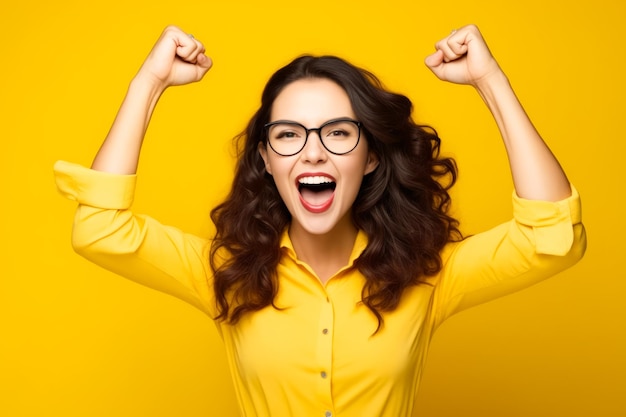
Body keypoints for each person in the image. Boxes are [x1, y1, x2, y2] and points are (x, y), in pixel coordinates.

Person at [54, 24, 586, 417]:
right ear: (266, 158)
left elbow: (553, 241)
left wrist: (489, 81)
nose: (312, 153)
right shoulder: (226, 274)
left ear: (370, 156)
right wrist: (149, 83)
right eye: (289, 134)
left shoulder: (428, 277)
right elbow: (100, 230)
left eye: (337, 133)